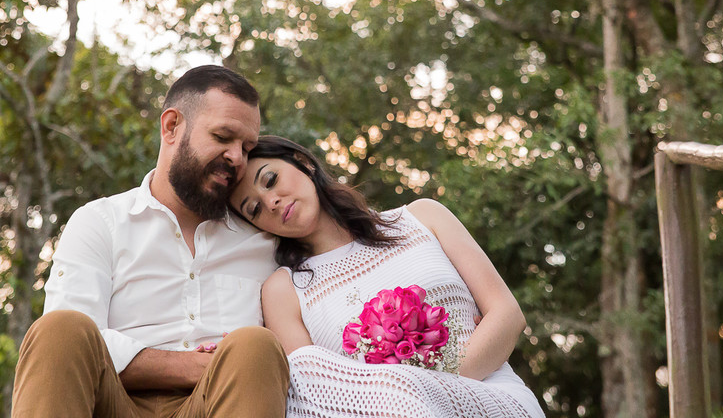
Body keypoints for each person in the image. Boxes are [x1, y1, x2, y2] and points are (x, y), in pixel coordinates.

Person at [11, 65, 290, 418]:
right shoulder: (100, 222)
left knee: (255, 345)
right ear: (171, 126)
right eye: (223, 137)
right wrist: (193, 366)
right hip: (110, 403)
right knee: (59, 329)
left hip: (219, 405)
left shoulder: (264, 241)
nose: (237, 158)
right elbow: (72, 344)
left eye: (247, 147)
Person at [229, 136, 545, 418]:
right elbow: (314, 395)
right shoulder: (284, 290)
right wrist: (410, 397)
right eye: (254, 209)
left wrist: (436, 389)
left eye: (270, 180)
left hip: (495, 396)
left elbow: (507, 314)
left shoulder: (424, 218)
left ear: (302, 163)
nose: (271, 202)